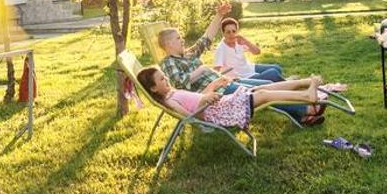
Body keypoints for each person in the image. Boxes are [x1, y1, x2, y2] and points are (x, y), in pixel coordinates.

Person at [158, 4, 322, 124]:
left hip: (225, 81)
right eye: (178, 38)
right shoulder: (169, 62)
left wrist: (219, 15)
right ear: (169, 44)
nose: (183, 40)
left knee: (267, 83)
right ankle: (305, 110)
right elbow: (180, 83)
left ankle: (302, 112)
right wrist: (201, 70)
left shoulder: (188, 54)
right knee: (264, 92)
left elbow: (206, 38)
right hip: (216, 93)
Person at [137, 66, 323, 130]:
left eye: (164, 75)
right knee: (264, 95)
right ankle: (307, 95)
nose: (166, 78)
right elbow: (190, 116)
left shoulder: (172, 92)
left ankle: (306, 83)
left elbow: (199, 98)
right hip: (222, 112)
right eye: (162, 79)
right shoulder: (170, 101)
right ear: (153, 88)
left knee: (263, 88)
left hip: (222, 104)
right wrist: (205, 100)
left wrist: (213, 85)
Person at [213, 18, 282, 80]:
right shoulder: (220, 49)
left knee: (277, 68)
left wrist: (245, 41)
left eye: (234, 31)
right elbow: (216, 70)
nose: (231, 34)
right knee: (273, 73)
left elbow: (257, 52)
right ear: (223, 33)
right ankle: (288, 84)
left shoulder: (239, 40)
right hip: (243, 77)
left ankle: (285, 84)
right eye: (228, 32)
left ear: (237, 31)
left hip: (249, 68)